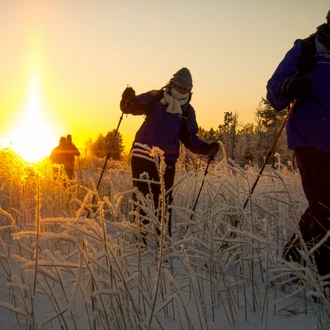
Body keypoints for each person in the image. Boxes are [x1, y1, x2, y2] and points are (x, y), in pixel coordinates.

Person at [120, 67, 220, 244]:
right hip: (142, 153)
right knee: (141, 197)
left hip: (167, 160)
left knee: (165, 201)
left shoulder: (187, 111)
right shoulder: (156, 97)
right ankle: (140, 239)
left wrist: (206, 148)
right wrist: (127, 99)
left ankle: (163, 240)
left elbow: (190, 139)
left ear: (190, 91)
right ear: (172, 84)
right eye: (180, 87)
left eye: (186, 89)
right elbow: (131, 107)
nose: (182, 91)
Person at [266, 10, 330, 276]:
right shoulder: (306, 50)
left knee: (321, 206)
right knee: (325, 207)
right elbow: (274, 92)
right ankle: (321, 276)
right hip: (310, 141)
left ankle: (292, 258)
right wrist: (289, 86)